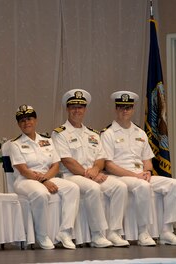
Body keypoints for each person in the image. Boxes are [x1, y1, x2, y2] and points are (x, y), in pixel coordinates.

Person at [101, 91, 176, 246]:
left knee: (174, 184)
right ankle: (143, 232)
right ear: (116, 109)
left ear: (133, 109)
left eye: (128, 107)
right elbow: (109, 165)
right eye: (121, 107)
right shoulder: (108, 133)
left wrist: (147, 171)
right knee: (142, 185)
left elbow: (147, 160)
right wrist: (135, 175)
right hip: (120, 176)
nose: (125, 111)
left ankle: (167, 231)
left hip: (141, 175)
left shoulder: (140, 132)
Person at [51, 89, 129, 248]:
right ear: (67, 109)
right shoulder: (59, 133)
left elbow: (101, 158)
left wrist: (95, 170)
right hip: (71, 176)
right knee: (93, 188)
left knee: (120, 187)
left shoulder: (92, 133)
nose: (76, 110)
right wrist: (91, 174)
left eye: (80, 107)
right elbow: (67, 161)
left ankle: (114, 232)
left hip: (92, 174)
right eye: (73, 107)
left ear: (85, 109)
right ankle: (97, 235)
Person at [9, 104, 80, 250]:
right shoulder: (15, 144)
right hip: (25, 181)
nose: (26, 122)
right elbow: (23, 170)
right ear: (18, 124)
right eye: (22, 120)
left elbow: (55, 165)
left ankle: (65, 232)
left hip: (48, 177)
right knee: (40, 193)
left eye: (29, 119)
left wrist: (46, 179)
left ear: (35, 120)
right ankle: (42, 235)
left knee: (72, 188)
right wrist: (44, 181)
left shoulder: (47, 140)